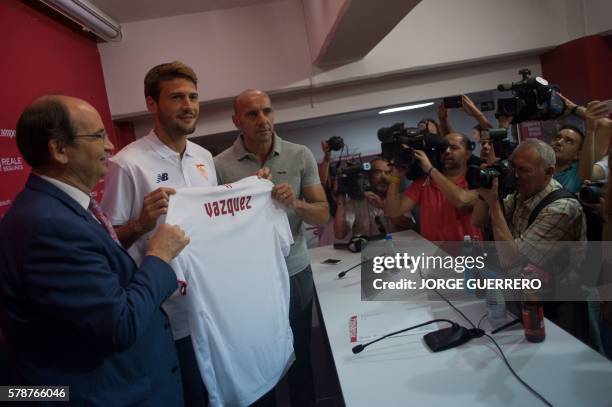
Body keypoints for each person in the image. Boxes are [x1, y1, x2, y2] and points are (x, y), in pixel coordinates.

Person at [0, 95, 189, 405]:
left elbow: (96, 266)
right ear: (59, 149)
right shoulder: (46, 225)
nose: (110, 146)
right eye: (98, 136)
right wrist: (159, 256)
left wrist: (140, 226)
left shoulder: (59, 208)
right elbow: (119, 324)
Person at [101, 61, 216, 406]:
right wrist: (140, 224)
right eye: (176, 97)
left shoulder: (204, 157)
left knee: (216, 393)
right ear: (152, 104)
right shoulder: (127, 163)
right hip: (166, 314)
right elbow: (108, 245)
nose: (188, 105)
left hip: (210, 304)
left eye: (193, 96)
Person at [214, 89, 328, 407]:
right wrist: (246, 196)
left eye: (267, 111)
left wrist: (296, 203)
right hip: (250, 281)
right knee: (259, 359)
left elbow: (322, 212)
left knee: (301, 353)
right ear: (237, 120)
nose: (263, 120)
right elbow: (217, 228)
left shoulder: (300, 154)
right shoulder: (219, 166)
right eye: (252, 114)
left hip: (294, 271)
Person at [472, 138, 587, 337]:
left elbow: (512, 259)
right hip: (526, 295)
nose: (515, 176)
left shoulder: (562, 208)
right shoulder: (521, 193)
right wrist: (485, 190)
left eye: (524, 170)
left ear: (549, 172)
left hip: (559, 303)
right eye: (513, 167)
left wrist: (494, 204)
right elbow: (478, 221)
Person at [384, 133, 483, 241]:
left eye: (454, 147)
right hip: (434, 255)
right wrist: (396, 175)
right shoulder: (424, 182)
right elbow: (393, 211)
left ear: (468, 154)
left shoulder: (478, 179)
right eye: (443, 148)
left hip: (469, 254)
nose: (447, 151)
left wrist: (430, 169)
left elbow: (461, 200)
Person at [334, 158, 413, 239]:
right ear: (368, 176)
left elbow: (408, 226)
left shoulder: (399, 199)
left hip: (396, 248)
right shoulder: (355, 201)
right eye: (377, 172)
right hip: (366, 249)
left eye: (388, 173)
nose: (383, 177)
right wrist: (341, 203)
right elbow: (340, 234)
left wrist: (383, 206)